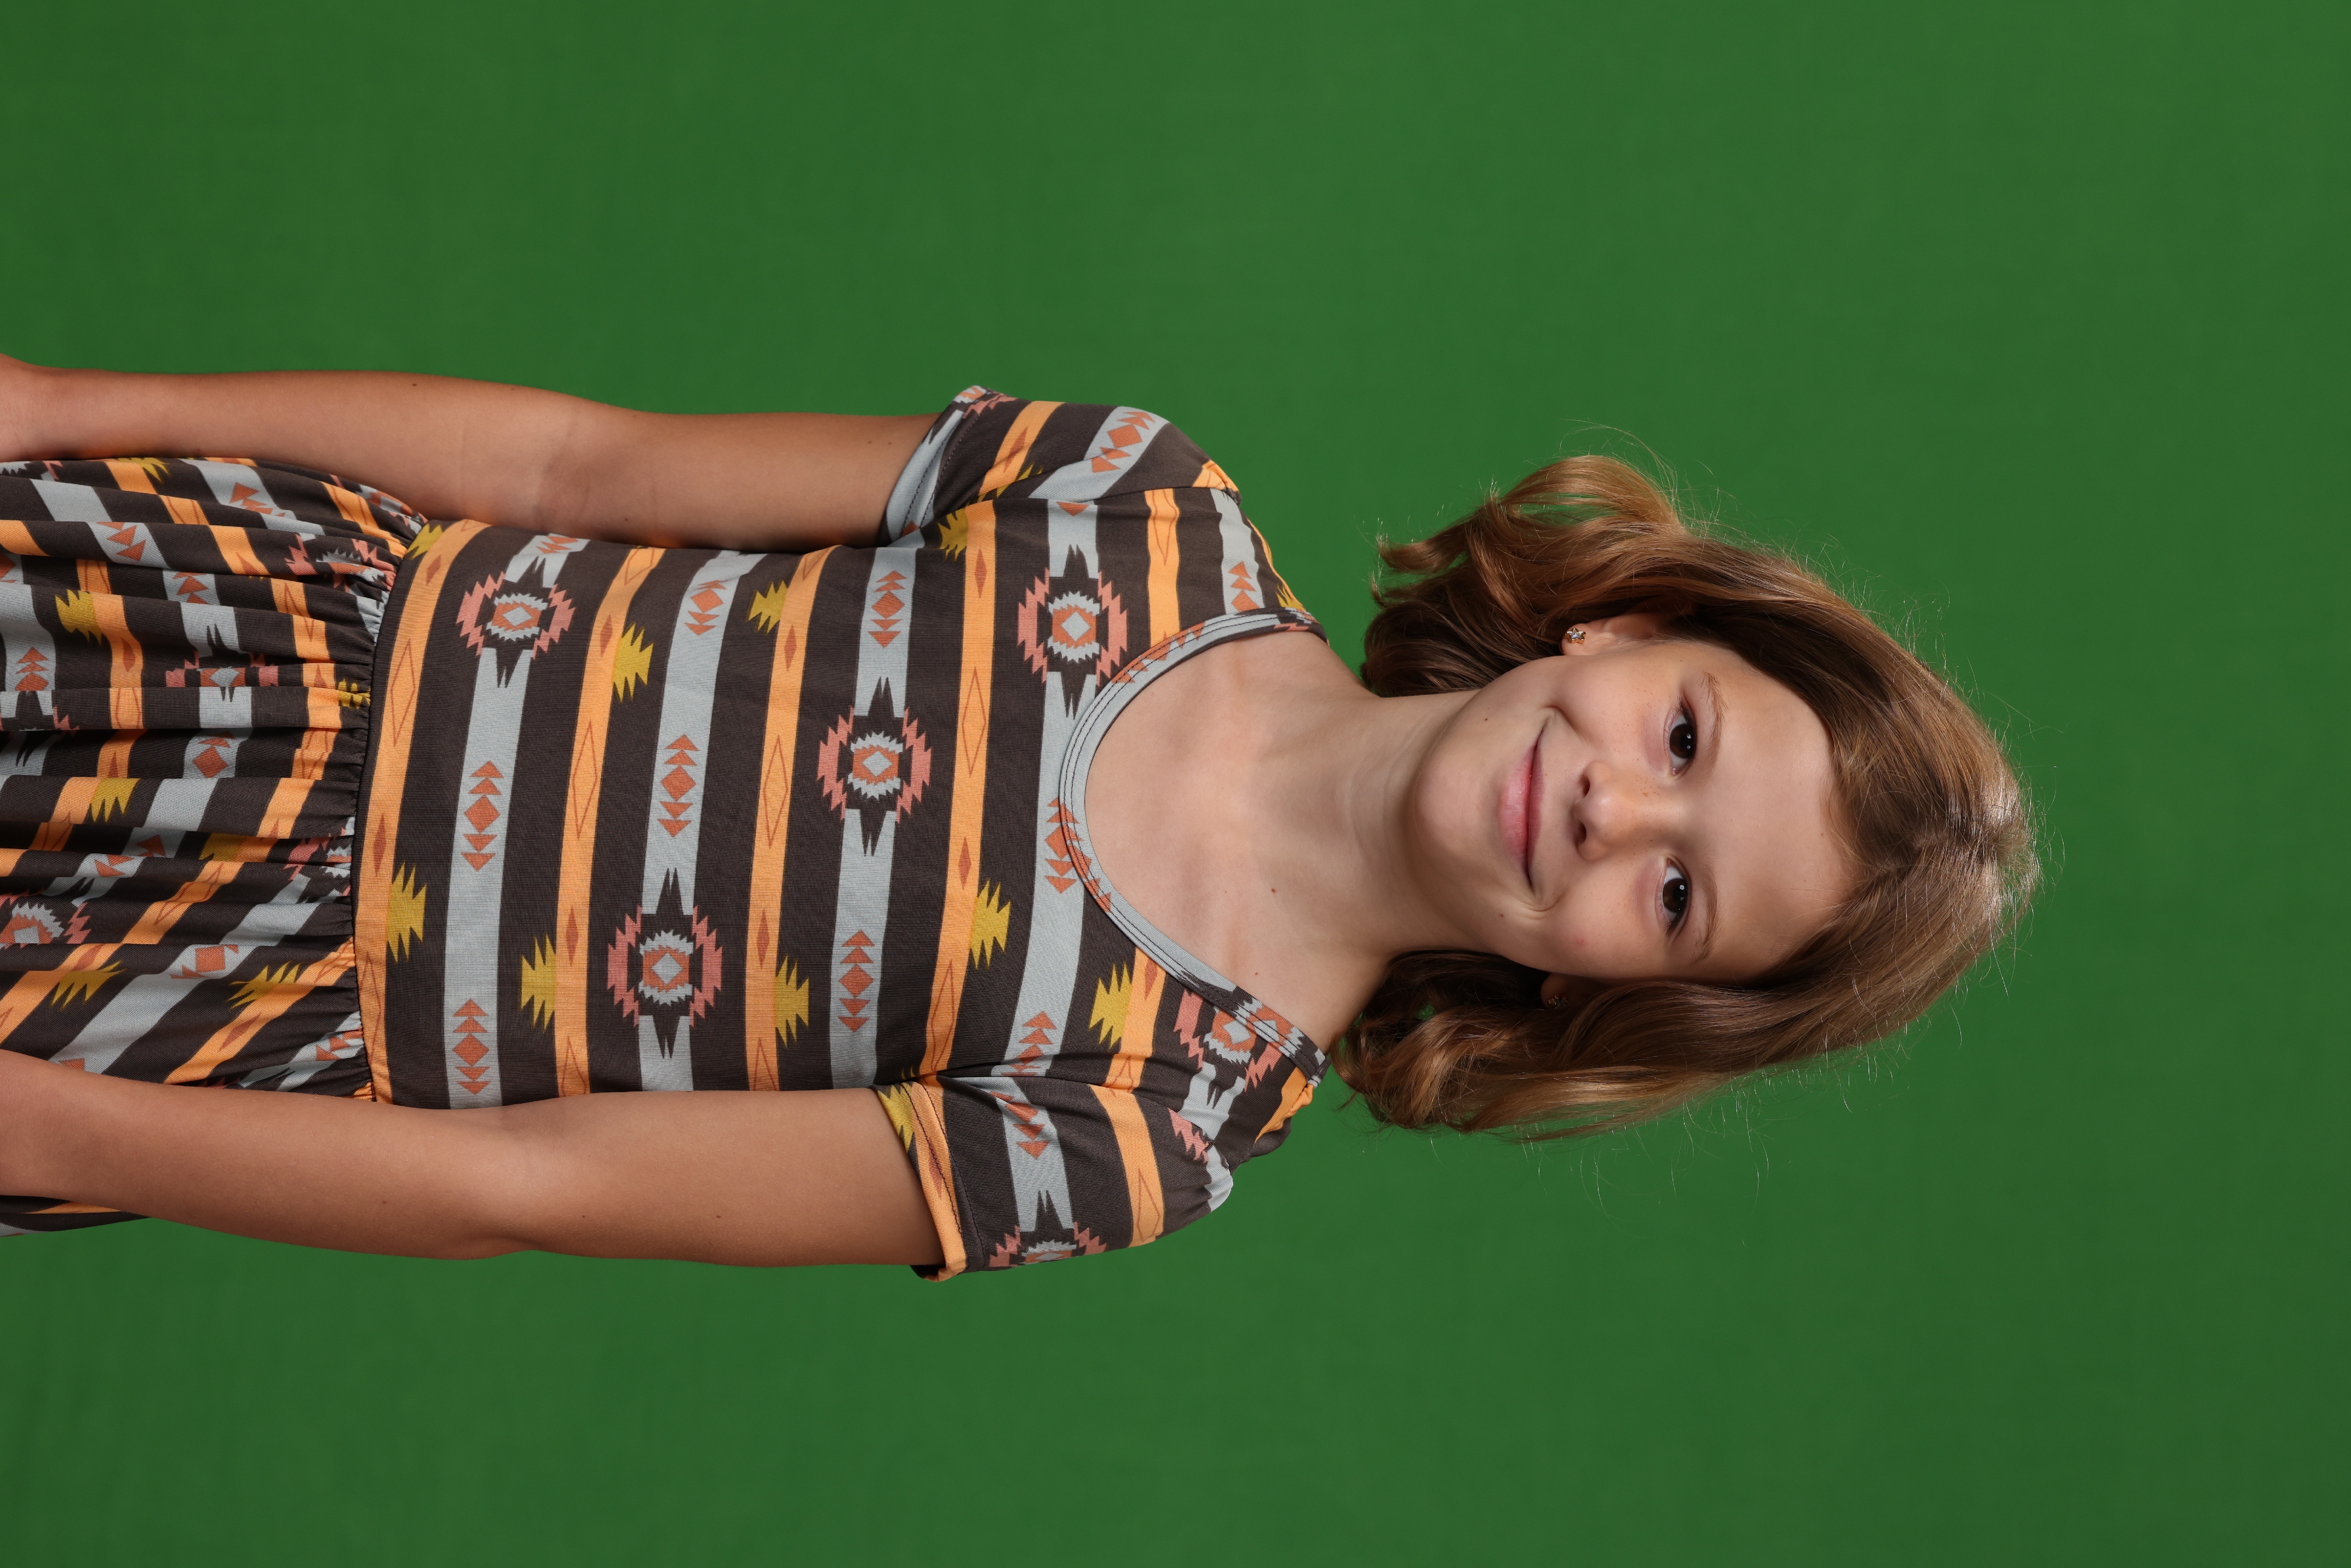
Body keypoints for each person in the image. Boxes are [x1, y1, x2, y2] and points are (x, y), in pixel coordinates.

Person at [0, 357, 2034, 1276]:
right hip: (211, 623)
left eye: (1677, 896)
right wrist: (67, 411)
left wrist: (53, 1127)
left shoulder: (1157, 1120)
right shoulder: (1140, 503)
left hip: (203, 986)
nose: (1609, 812)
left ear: (1614, 993)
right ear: (1633, 622)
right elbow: (574, 466)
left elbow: (537, 1181)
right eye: (1681, 736)